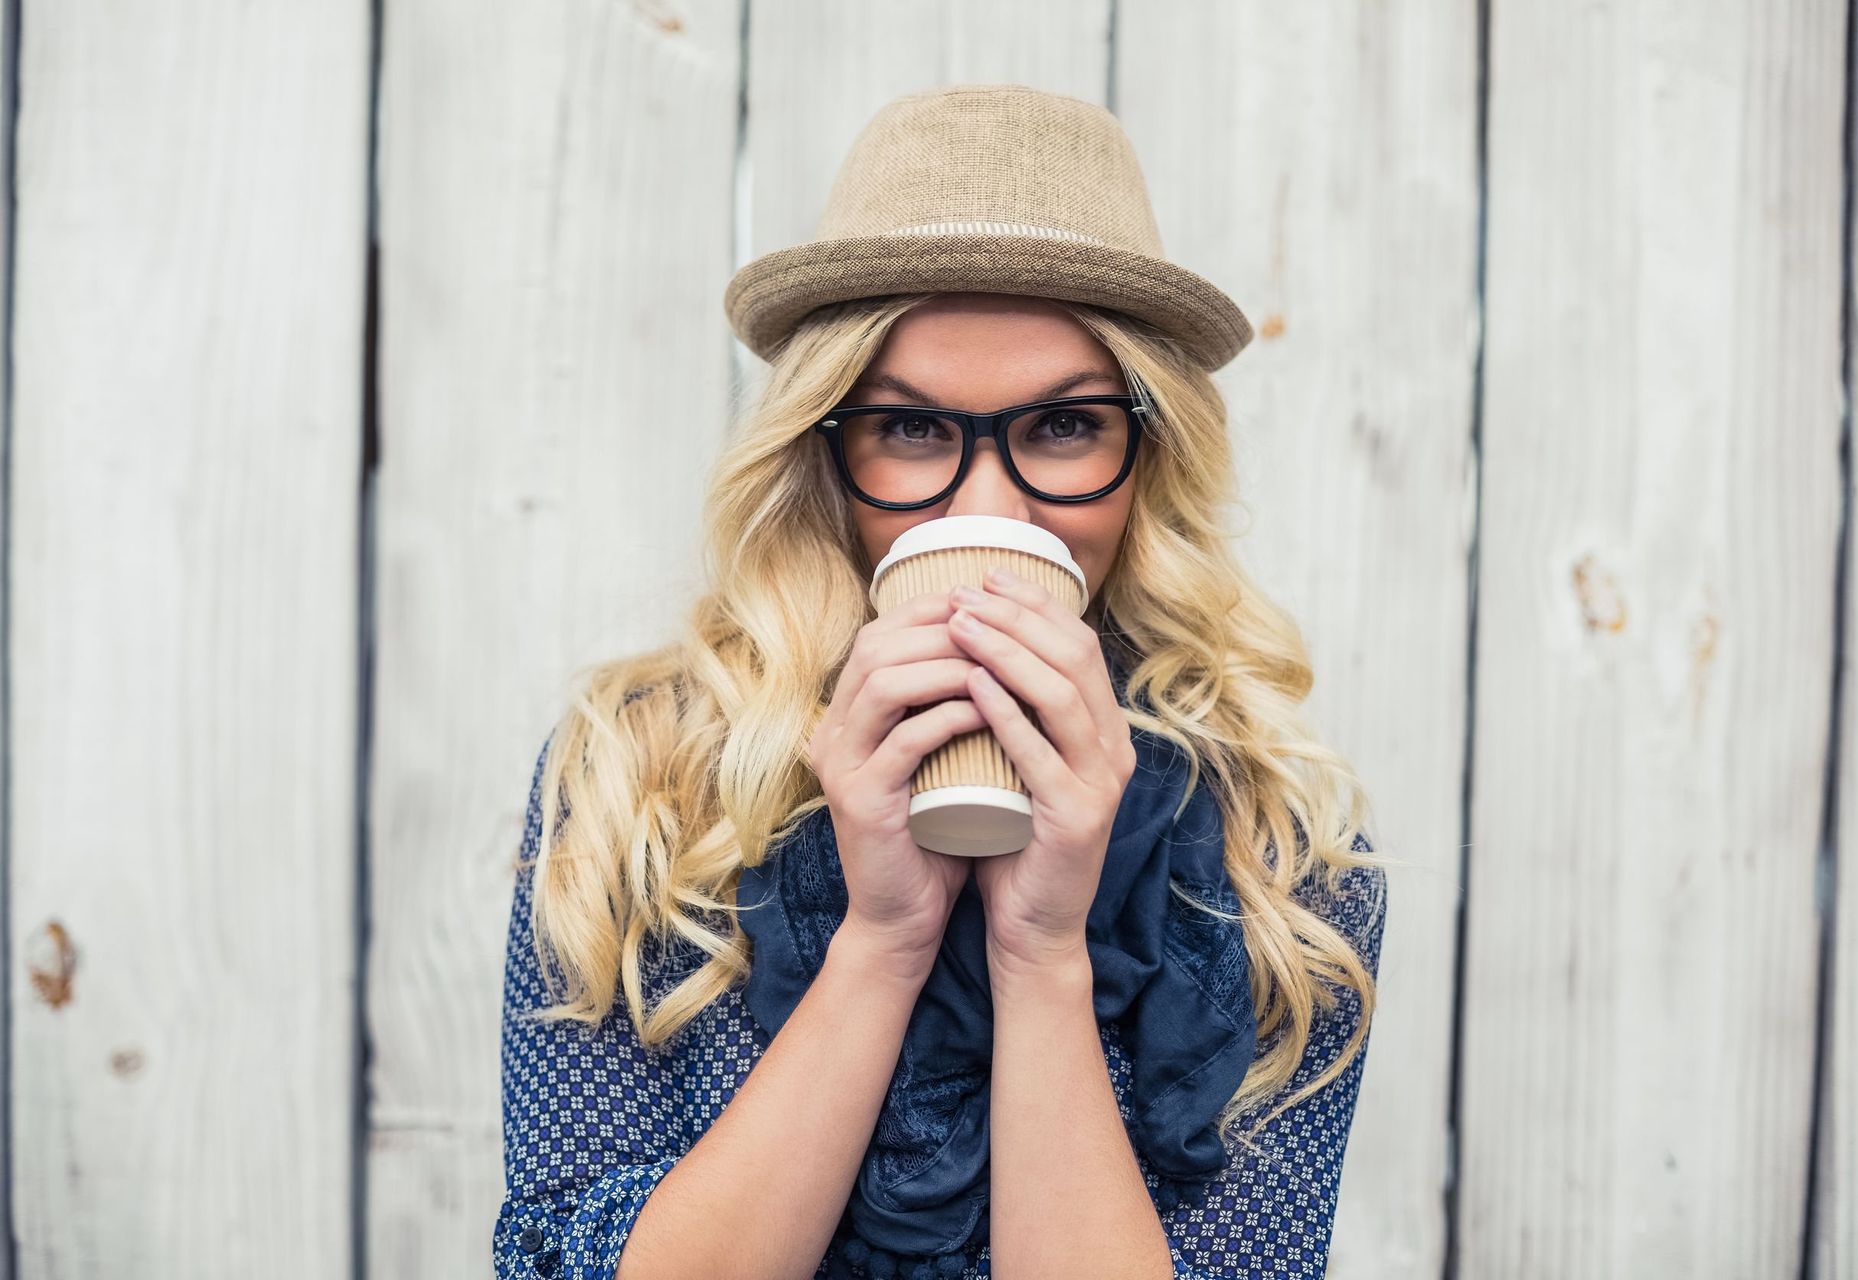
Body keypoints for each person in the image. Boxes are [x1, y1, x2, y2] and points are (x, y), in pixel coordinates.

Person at [493, 84, 1389, 1280]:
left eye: (1064, 426)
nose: (990, 508)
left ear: (1147, 451)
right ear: (827, 452)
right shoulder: (635, 783)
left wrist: (1042, 953)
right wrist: (884, 938)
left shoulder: (1284, 864)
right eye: (913, 431)